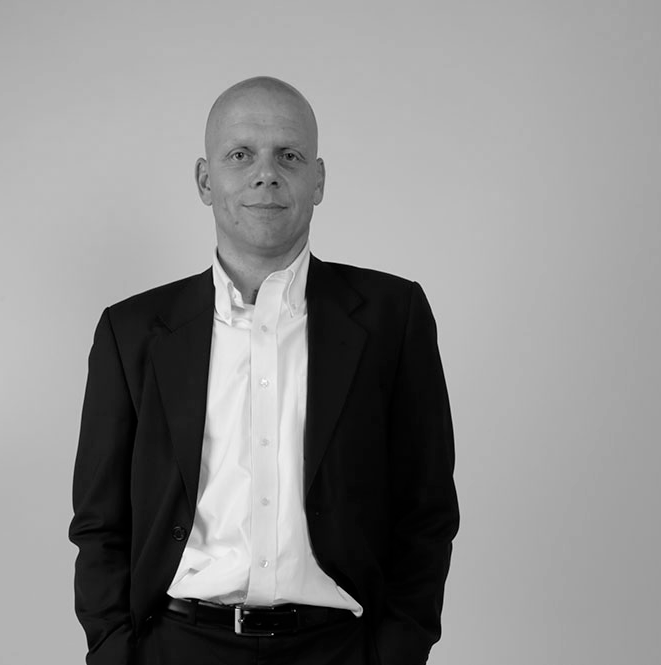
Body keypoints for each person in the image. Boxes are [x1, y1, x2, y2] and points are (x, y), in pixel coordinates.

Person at [69, 76, 459, 665]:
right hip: (177, 648)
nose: (266, 174)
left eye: (289, 156)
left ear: (318, 180)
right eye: (240, 155)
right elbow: (100, 522)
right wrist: (115, 652)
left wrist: (396, 653)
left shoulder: (391, 318)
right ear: (206, 180)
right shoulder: (133, 332)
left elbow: (426, 508)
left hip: (341, 650)